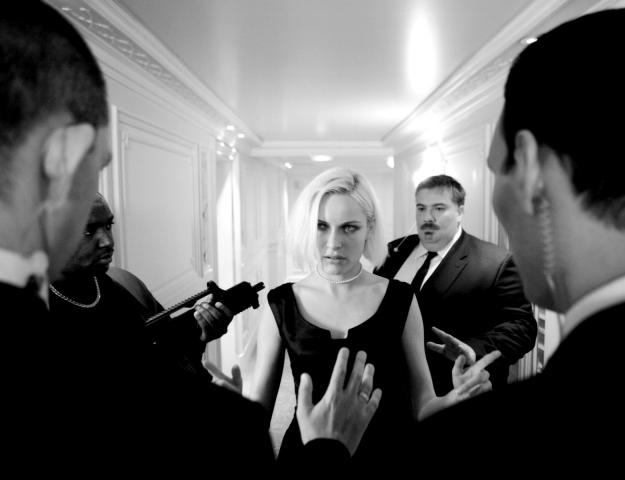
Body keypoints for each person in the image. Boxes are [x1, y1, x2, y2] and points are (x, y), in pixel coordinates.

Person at [0, 1, 382, 475]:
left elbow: (157, 359)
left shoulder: (121, 286)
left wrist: (200, 342)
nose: (105, 239)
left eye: (107, 223)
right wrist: (327, 450)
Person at [414, 7, 625, 474]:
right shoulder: (402, 250)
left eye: (497, 168)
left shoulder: (486, 443)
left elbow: (517, 326)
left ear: (530, 167)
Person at [245, 167, 500, 470]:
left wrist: (456, 399)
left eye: (349, 228)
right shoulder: (281, 303)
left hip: (386, 460)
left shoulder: (400, 299)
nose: (333, 242)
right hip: (308, 462)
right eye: (321, 226)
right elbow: (256, 417)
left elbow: (424, 405)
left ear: (369, 228)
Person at [375, 174, 537, 394]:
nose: (427, 217)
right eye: (421, 208)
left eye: (439, 208)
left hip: (452, 389)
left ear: (460, 212)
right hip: (389, 390)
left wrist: (472, 351)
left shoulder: (497, 262)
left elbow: (521, 328)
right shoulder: (393, 252)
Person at [49, 193, 228, 384]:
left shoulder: (123, 284)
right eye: (88, 231)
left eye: (108, 226)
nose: (108, 242)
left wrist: (200, 335)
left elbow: (166, 352)